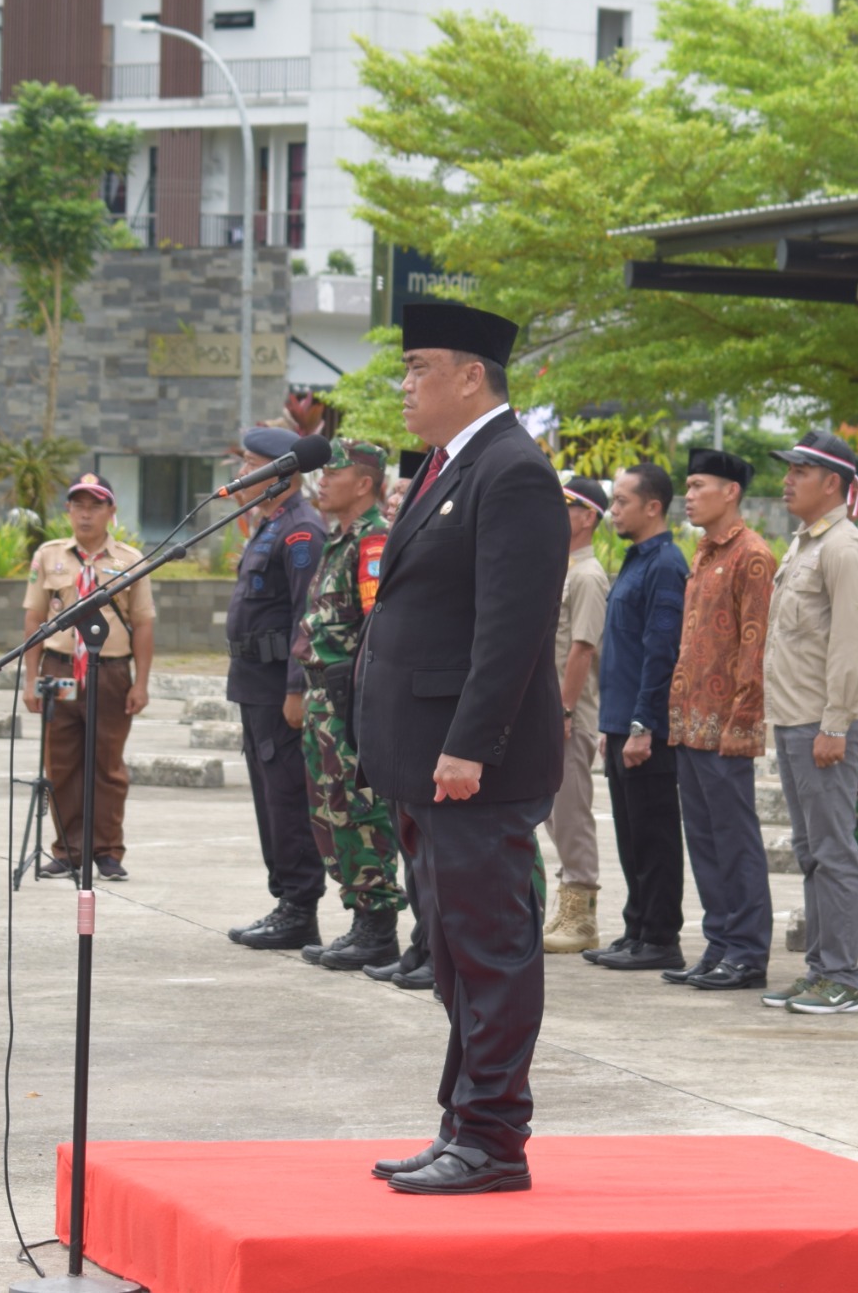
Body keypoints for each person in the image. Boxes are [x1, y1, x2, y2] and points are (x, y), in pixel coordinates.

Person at [356, 301, 566, 1196]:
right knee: (450, 952)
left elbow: (511, 629)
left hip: (472, 766)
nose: (404, 386)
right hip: (426, 760)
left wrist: (469, 745)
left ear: (470, 375)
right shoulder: (452, 464)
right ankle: (460, 1124)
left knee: (488, 950)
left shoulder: (511, 469)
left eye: (418, 368)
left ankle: (492, 1141)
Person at [760, 432, 858, 1016]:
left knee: (833, 852)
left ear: (832, 482)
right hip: (795, 721)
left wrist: (835, 723)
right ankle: (818, 971)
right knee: (812, 851)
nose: (787, 480)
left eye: (799, 471)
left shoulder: (842, 546)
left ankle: (843, 976)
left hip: (824, 723)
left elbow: (852, 643)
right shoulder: (806, 543)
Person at [665, 447, 777, 991]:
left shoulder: (751, 554)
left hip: (726, 723)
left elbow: (754, 643)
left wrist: (743, 717)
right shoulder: (705, 553)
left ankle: (748, 951)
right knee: (705, 840)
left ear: (730, 492)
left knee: (735, 840)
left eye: (697, 485)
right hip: (691, 720)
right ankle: (719, 942)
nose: (688, 496)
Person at [292, 439, 405, 972]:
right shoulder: (339, 542)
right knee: (328, 811)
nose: (321, 481)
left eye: (331, 472)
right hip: (322, 699)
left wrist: (363, 707)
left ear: (364, 483)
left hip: (348, 700)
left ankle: (378, 925)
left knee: (358, 810)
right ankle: (360, 914)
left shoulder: (373, 542)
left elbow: (377, 627)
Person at [223, 431, 333, 949]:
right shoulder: (268, 524)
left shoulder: (301, 530)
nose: (242, 475)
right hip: (252, 684)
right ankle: (286, 898)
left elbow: (304, 616)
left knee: (287, 797)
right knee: (270, 798)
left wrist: (297, 688)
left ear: (283, 469)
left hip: (277, 688)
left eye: (252, 465)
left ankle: (299, 905)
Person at [585, 461, 692, 972]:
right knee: (629, 835)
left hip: (642, 726)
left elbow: (661, 650)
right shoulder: (635, 560)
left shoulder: (666, 564)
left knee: (654, 834)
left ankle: (660, 936)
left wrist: (642, 725)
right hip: (618, 719)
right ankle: (635, 928)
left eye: (623, 501)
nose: (613, 511)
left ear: (653, 507)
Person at [21, 474, 155, 882]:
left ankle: (107, 850)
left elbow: (144, 623)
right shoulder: (49, 556)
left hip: (111, 672)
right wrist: (30, 679)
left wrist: (141, 682)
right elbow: (33, 617)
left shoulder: (129, 560)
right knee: (60, 764)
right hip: (59, 669)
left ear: (111, 511)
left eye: (95, 505)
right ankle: (67, 850)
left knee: (107, 766)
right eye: (78, 504)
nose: (85, 513)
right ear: (68, 510)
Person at [540, 475, 611, 955]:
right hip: (546, 709)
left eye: (566, 507)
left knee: (570, 813)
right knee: (550, 812)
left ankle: (581, 915)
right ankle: (566, 905)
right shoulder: (558, 568)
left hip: (570, 712)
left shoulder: (587, 575)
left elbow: (583, 649)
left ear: (588, 517)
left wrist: (564, 709)